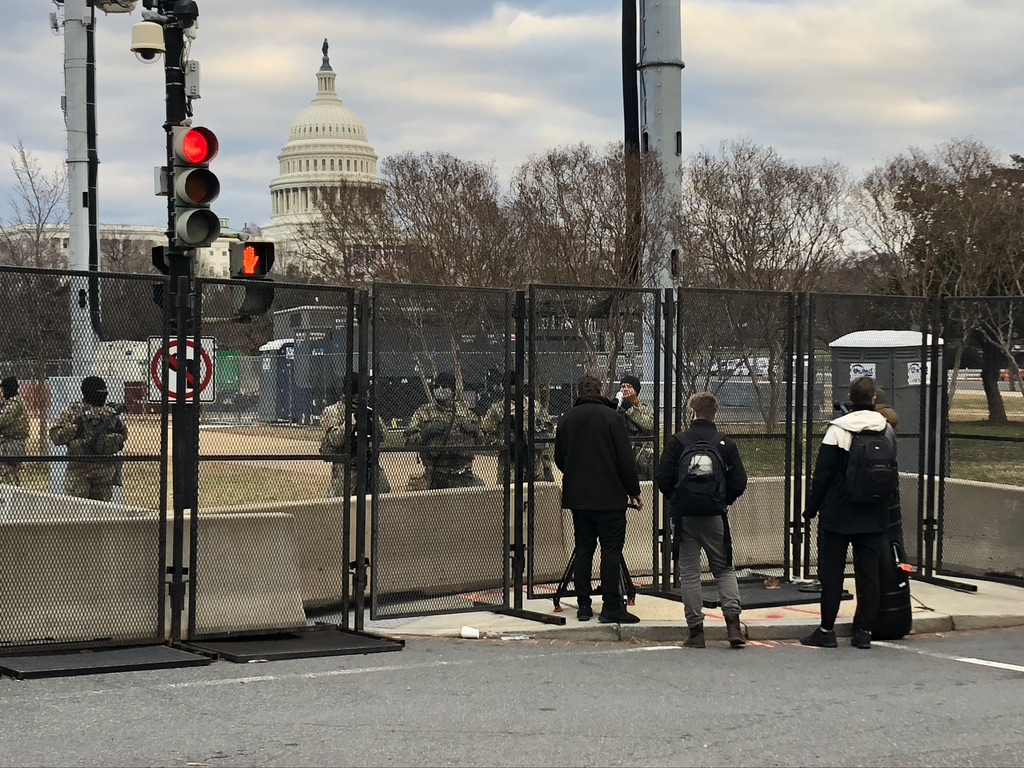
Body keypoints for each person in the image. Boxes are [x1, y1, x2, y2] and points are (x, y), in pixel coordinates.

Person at [801, 376, 897, 650]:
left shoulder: (838, 430)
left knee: (832, 573)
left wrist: (811, 509)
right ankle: (864, 631)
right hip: (874, 513)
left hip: (839, 512)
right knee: (869, 573)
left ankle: (826, 630)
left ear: (851, 399)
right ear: (874, 399)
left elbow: (822, 475)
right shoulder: (886, 429)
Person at [656, 391, 749, 648]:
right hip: (715, 515)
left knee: (689, 573)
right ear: (714, 414)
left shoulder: (678, 441)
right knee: (724, 569)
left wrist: (678, 499)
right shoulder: (725, 443)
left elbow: (663, 478)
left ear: (693, 413)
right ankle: (733, 626)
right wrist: (722, 500)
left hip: (685, 517)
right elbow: (740, 481)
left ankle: (696, 632)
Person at [554, 374, 642, 624]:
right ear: (600, 391)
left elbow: (560, 459)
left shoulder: (567, 419)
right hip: (609, 497)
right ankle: (611, 605)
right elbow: (625, 460)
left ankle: (583, 605)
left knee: (584, 548)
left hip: (579, 497)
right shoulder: (612, 418)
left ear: (579, 393)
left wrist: (576, 473)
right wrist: (634, 491)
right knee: (611, 550)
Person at [49, 376, 127, 502]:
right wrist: (75, 428)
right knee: (77, 508)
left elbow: (122, 436)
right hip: (79, 469)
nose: (104, 394)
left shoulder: (110, 412)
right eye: (100, 391)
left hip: (104, 470)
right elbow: (55, 436)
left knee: (102, 510)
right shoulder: (74, 411)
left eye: (105, 391)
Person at [404, 372, 483, 490]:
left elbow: (482, 441)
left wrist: (475, 431)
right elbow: (408, 443)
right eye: (437, 386)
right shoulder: (423, 412)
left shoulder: (465, 412)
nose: (440, 389)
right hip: (435, 475)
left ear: (453, 391)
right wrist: (426, 432)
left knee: (483, 493)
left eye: (445, 386)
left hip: (463, 475)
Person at [320, 376, 391, 497]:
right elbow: (334, 440)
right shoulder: (334, 411)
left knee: (382, 495)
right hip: (346, 468)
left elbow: (384, 436)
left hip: (369, 466)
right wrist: (352, 421)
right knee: (341, 503)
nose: (368, 394)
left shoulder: (369, 410)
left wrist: (373, 419)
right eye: (364, 390)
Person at [480, 371, 555, 483]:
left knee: (538, 491)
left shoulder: (534, 406)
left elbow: (549, 427)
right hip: (511, 462)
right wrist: (502, 443)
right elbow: (485, 432)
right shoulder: (499, 409)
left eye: (516, 384)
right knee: (511, 491)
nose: (514, 388)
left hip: (535, 461)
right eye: (511, 385)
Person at [616, 375, 655, 480]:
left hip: (640, 454)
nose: (625, 389)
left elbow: (649, 425)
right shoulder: (615, 408)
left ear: (636, 391)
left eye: (629, 386)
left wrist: (631, 409)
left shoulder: (645, 409)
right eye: (622, 386)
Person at [0, 376, 30, 487]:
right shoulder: (13, 403)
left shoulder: (14, 403)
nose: (3, 393)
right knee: (8, 474)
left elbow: (2, 421)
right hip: (11, 443)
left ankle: (12, 495)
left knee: (9, 476)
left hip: (12, 444)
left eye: (3, 389)